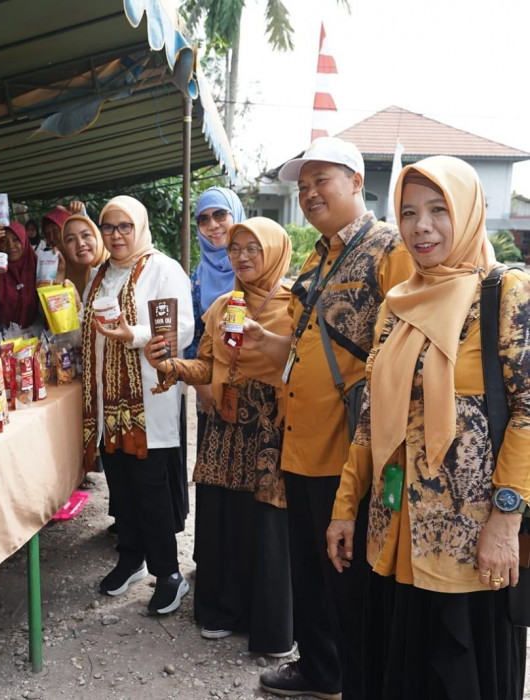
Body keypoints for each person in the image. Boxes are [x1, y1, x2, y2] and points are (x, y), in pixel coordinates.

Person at [326, 156, 529, 700]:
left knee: (460, 677)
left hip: (471, 542)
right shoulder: (396, 305)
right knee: (400, 671)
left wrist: (506, 524)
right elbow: (371, 417)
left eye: (439, 210)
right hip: (392, 531)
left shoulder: (505, 293)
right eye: (409, 212)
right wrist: (347, 505)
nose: (422, 226)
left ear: (467, 213)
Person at [245, 137, 414, 700]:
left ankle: (353, 676)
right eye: (303, 184)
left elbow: (407, 345)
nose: (310, 192)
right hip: (301, 439)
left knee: (346, 574)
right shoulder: (316, 257)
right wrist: (264, 341)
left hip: (350, 449)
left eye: (323, 180)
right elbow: (302, 347)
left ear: (356, 183)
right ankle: (319, 671)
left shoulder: (389, 248)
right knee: (312, 571)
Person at [145, 217, 295, 653]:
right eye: (235, 249)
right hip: (224, 430)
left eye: (253, 248)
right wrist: (172, 366)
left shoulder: (296, 305)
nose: (242, 256)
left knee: (265, 528)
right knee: (222, 521)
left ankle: (269, 627)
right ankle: (221, 610)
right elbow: (209, 367)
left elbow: (304, 369)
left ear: (275, 250)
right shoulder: (223, 305)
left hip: (269, 432)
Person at [82, 195, 194, 615]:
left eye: (124, 226)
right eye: (108, 227)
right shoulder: (99, 274)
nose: (116, 235)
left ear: (140, 227)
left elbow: (181, 326)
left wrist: (135, 335)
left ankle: (168, 573)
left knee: (150, 487)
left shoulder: (164, 270)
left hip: (148, 399)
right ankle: (131, 558)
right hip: (108, 401)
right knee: (121, 484)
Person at [187, 188, 246, 431]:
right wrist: (203, 389)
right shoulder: (198, 278)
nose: (213, 225)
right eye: (204, 219)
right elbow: (192, 337)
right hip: (211, 387)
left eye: (221, 214)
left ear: (236, 215)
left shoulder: (258, 267)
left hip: (256, 387)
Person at [0, 222, 38, 329]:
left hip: (37, 337)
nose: (10, 246)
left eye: (16, 239)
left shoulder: (39, 268)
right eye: (4, 241)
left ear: (24, 241)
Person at [60, 213, 109, 299]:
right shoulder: (65, 275)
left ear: (97, 237)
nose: (80, 244)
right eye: (70, 239)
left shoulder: (115, 269)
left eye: (86, 235)